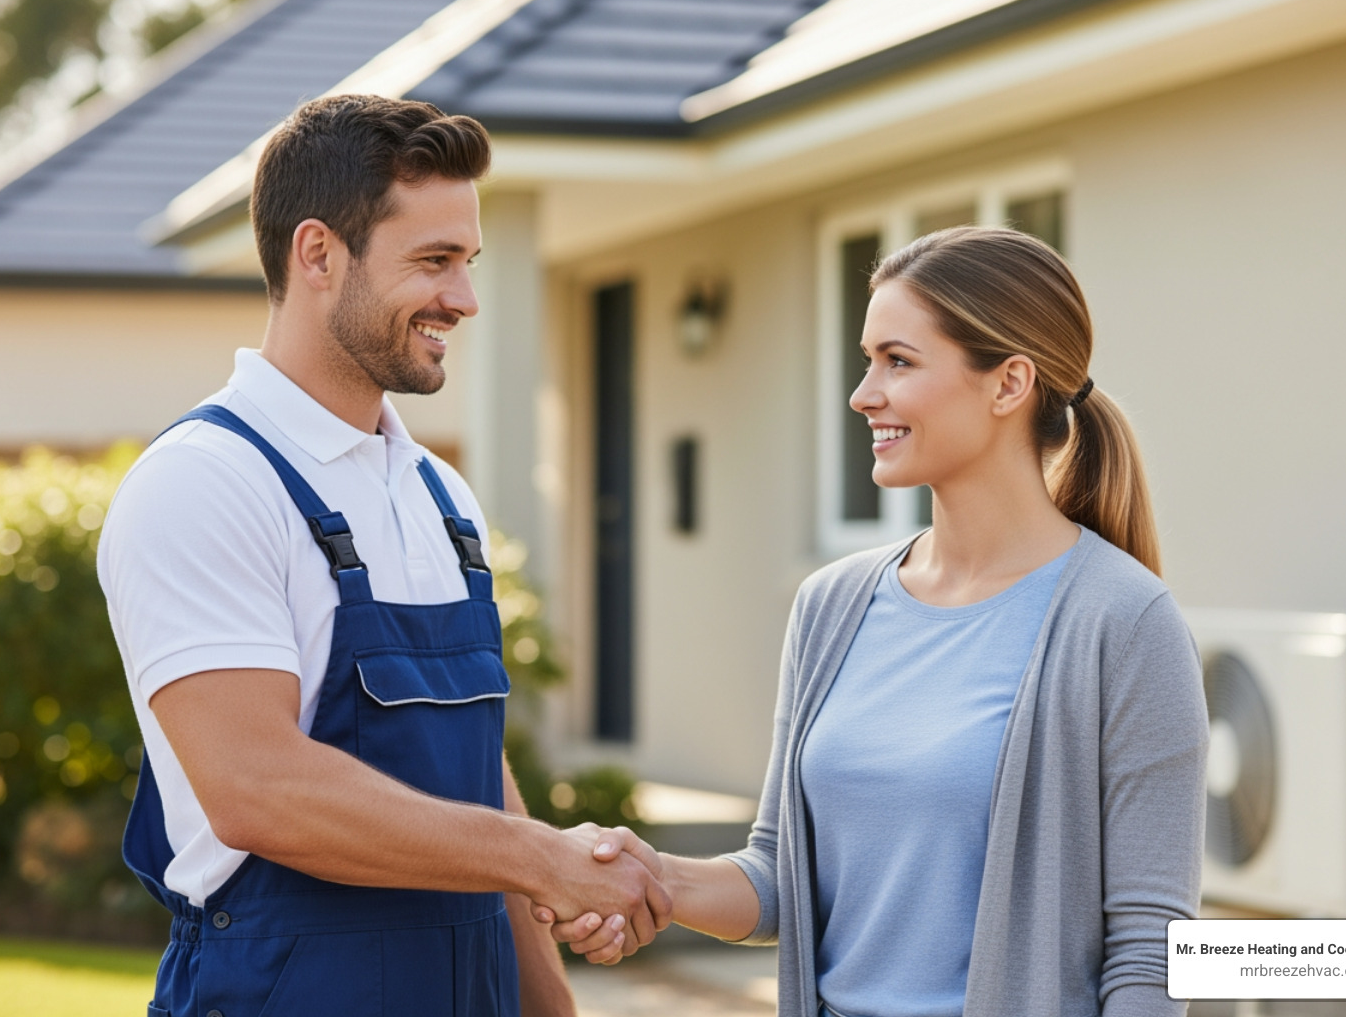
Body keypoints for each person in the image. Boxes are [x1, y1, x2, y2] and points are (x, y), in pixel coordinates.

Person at [99, 94, 669, 1017]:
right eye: (434, 261)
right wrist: (543, 860)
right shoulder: (205, 483)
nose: (466, 298)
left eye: (469, 262)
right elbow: (257, 789)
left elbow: (477, 776)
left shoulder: (441, 497)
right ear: (318, 254)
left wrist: (551, 995)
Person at [548, 225, 1209, 1017]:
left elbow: (1151, 952)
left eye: (898, 361)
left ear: (1009, 384)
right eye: (868, 361)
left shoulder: (1124, 623)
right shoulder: (834, 605)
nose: (863, 394)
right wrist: (652, 875)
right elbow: (781, 877)